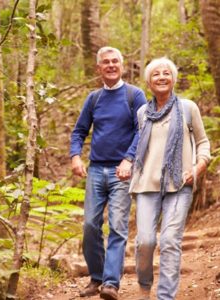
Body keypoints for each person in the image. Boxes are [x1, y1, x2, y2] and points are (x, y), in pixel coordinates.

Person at [129, 57, 211, 300]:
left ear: (173, 79)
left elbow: (203, 142)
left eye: (167, 73)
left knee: (169, 240)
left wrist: (197, 168)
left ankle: (166, 296)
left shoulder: (187, 108)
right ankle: (144, 287)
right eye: (156, 74)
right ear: (148, 82)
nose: (162, 77)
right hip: (146, 185)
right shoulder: (143, 112)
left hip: (179, 184)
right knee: (145, 241)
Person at [70, 46, 147, 300]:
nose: (111, 65)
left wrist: (128, 159)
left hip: (121, 172)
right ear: (99, 68)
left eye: (115, 61)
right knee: (91, 225)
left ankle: (111, 283)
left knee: (118, 226)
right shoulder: (93, 99)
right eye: (106, 62)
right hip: (95, 170)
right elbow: (79, 131)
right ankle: (97, 277)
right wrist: (75, 156)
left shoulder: (135, 95)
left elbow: (142, 130)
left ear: (122, 66)